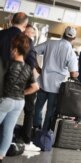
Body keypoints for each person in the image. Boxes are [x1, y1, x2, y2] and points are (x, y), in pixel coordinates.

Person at [0, 34, 39, 162]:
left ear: (16, 49)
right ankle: (1, 155)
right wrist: (22, 93)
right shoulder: (28, 68)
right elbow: (35, 87)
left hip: (6, 100)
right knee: (8, 130)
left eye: (12, 47)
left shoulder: (8, 64)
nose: (10, 50)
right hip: (19, 102)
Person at [33, 26, 79, 131]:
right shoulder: (71, 52)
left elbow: (33, 51)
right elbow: (73, 74)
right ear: (74, 38)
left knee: (38, 107)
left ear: (63, 33)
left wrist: (37, 67)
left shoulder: (50, 43)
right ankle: (44, 132)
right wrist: (77, 74)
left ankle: (35, 127)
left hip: (43, 83)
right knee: (50, 111)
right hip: (56, 87)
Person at [20, 24, 41, 151]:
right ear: (30, 33)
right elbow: (31, 65)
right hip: (27, 82)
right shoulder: (30, 45)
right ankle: (26, 140)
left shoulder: (15, 41)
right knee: (29, 111)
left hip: (12, 80)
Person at [0, 12, 29, 98]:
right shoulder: (26, 40)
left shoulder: (1, 34)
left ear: (12, 21)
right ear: (25, 25)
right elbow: (30, 61)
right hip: (13, 82)